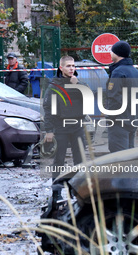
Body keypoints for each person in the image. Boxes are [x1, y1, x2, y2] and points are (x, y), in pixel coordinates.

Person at [43, 56, 86, 199]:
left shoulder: (79, 82)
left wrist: (78, 84)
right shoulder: (54, 85)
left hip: (78, 126)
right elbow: (48, 109)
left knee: (80, 160)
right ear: (61, 68)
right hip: (60, 127)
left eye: (73, 66)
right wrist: (49, 130)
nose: (72, 68)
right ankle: (56, 192)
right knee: (59, 160)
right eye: (68, 66)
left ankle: (78, 191)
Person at [107, 41, 138, 153]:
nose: (110, 53)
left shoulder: (118, 72)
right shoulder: (135, 71)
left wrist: (110, 117)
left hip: (119, 121)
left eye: (111, 51)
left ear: (117, 53)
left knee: (118, 157)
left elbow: (114, 97)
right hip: (133, 119)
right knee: (129, 156)